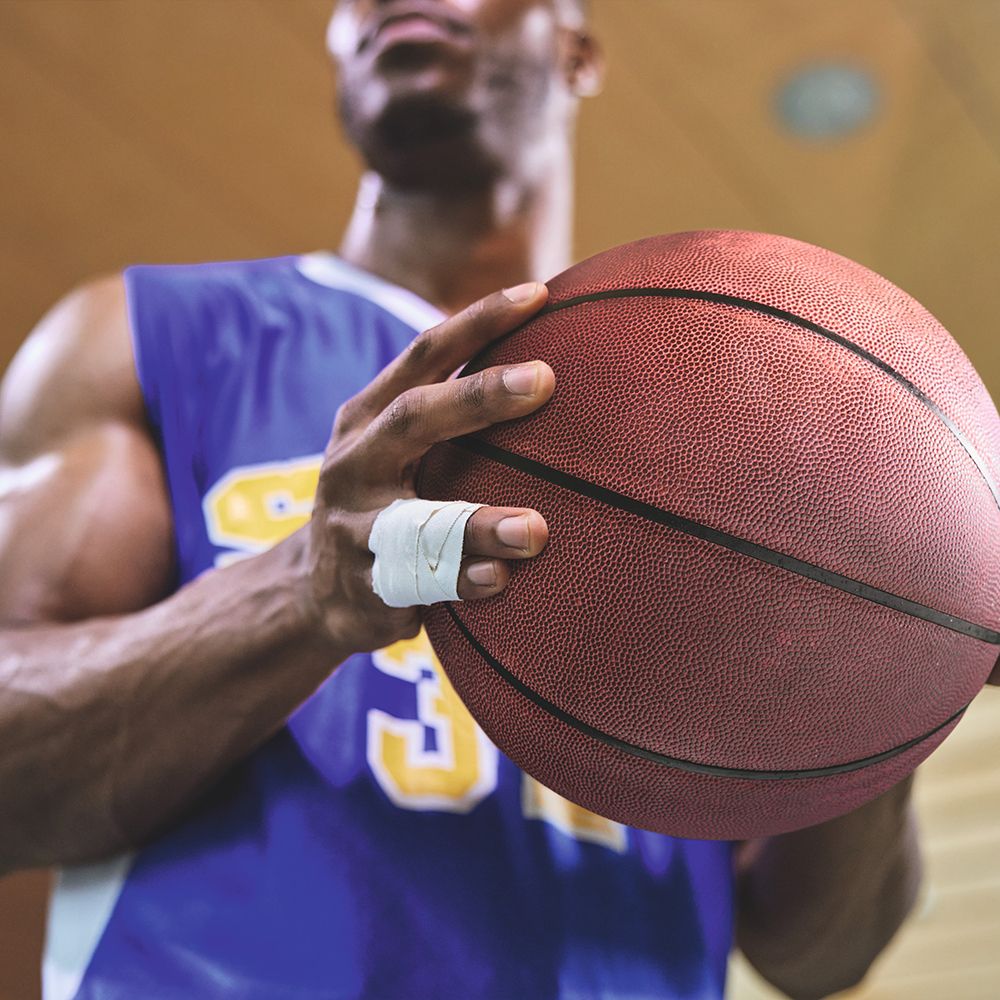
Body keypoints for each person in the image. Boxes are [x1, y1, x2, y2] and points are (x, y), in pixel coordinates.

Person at [0, 1, 930, 997]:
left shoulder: (707, 431)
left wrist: (896, 658)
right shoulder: (146, 337)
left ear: (576, 49)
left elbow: (814, 954)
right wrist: (299, 593)